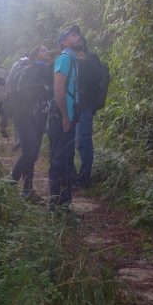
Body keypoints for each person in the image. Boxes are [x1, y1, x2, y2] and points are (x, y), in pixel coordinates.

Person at [10, 44, 53, 198]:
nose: (47, 51)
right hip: (25, 116)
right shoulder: (29, 70)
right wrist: (42, 88)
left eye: (47, 49)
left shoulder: (47, 69)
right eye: (43, 50)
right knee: (31, 152)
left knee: (32, 154)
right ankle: (9, 184)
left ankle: (27, 190)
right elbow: (21, 90)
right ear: (35, 55)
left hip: (40, 117)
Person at [49, 25, 82, 210]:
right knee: (59, 159)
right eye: (73, 35)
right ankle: (55, 203)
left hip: (68, 117)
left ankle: (64, 203)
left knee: (67, 159)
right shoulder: (64, 58)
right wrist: (64, 116)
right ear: (63, 42)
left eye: (78, 34)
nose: (78, 37)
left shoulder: (73, 60)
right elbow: (58, 88)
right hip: (62, 118)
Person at [74, 36, 109, 188]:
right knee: (74, 141)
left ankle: (84, 178)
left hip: (85, 105)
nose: (77, 43)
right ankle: (74, 176)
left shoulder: (91, 58)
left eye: (79, 40)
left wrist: (85, 62)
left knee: (83, 140)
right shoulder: (69, 57)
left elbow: (97, 76)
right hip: (72, 105)